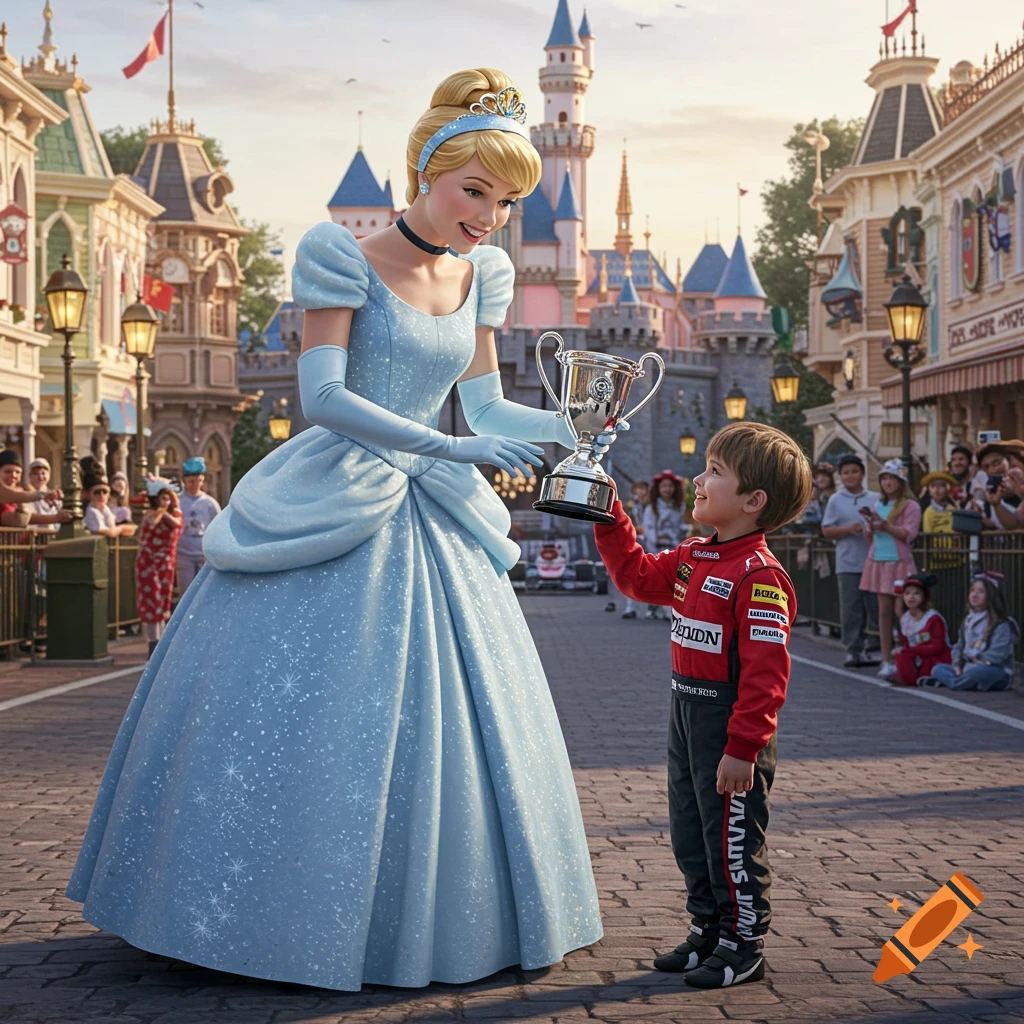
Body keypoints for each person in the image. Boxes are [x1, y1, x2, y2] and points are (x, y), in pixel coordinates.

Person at [66, 69, 617, 992]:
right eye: (475, 191)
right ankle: (254, 915)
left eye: (507, 202)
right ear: (428, 171)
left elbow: (486, 403)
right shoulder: (341, 254)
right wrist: (453, 448)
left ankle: (452, 919)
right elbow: (323, 397)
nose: (489, 217)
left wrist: (573, 423)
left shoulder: (482, 272)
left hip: (434, 508)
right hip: (340, 492)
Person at [594, 422, 812, 989]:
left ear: (753, 501)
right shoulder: (694, 557)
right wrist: (608, 513)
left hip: (728, 726)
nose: (698, 479)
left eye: (715, 471)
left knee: (731, 841)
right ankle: (708, 931)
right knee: (690, 832)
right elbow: (636, 577)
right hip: (686, 712)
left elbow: (766, 676)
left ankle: (744, 944)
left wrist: (743, 747)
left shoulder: (761, 576)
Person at [859, 459, 921, 681]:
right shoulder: (877, 505)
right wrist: (869, 525)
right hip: (878, 560)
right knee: (883, 612)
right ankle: (887, 659)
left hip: (900, 562)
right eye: (884, 478)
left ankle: (910, 654)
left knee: (902, 609)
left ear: (901, 481)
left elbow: (908, 535)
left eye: (892, 478)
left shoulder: (911, 506)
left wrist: (886, 526)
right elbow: (870, 538)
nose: (887, 482)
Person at [820, 454, 879, 668]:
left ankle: (875, 646)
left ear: (862, 474)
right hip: (847, 562)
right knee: (851, 608)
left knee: (876, 606)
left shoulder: (875, 498)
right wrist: (847, 529)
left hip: (874, 560)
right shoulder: (836, 500)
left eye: (854, 471)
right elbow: (826, 530)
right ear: (841, 477)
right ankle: (854, 650)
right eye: (846, 473)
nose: (850, 476)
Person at [921, 572, 1019, 691]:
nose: (974, 595)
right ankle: (963, 682)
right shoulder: (968, 620)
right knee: (937, 669)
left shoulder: (1002, 623)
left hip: (993, 669)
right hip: (967, 668)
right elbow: (959, 646)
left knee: (978, 672)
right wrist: (957, 665)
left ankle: (953, 682)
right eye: (972, 590)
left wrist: (975, 661)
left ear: (991, 595)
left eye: (980, 591)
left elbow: (997, 655)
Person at [136, 480, 183, 659]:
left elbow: (177, 524)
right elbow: (150, 524)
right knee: (152, 600)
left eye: (167, 498)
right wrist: (160, 512)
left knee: (164, 599)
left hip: (166, 563)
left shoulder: (175, 515)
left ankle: (161, 642)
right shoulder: (150, 515)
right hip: (149, 562)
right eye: (162, 498)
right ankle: (153, 642)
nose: (165, 502)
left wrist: (166, 511)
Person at [641, 469, 687, 620]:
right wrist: (655, 543)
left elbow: (679, 527)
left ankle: (668, 609)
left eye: (670, 486)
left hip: (673, 547)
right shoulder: (651, 508)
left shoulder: (679, 507)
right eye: (664, 486)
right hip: (656, 548)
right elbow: (648, 529)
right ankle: (659, 609)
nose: (667, 489)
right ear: (658, 489)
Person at [891, 574, 951, 687]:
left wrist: (914, 650)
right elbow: (907, 644)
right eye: (907, 593)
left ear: (924, 597)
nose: (911, 597)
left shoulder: (933, 618)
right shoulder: (906, 619)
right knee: (901, 655)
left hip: (935, 659)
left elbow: (938, 646)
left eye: (916, 593)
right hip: (917, 658)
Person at [176, 457, 222, 593]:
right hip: (183, 554)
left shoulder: (210, 503)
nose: (195, 484)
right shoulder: (178, 501)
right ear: (185, 481)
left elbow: (217, 529)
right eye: (191, 481)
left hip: (203, 555)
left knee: (203, 592)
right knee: (186, 592)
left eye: (199, 480)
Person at [0, 450, 68, 529]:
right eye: (7, 472)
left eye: (18, 472)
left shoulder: (22, 491)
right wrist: (56, 518)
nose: (13, 475)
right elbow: (18, 519)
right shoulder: (22, 494)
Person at [621, 479, 649, 619]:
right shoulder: (630, 505)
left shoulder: (650, 505)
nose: (641, 492)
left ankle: (653, 609)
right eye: (639, 489)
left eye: (644, 489)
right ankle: (630, 607)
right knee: (632, 574)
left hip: (650, 541)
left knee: (651, 574)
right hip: (635, 541)